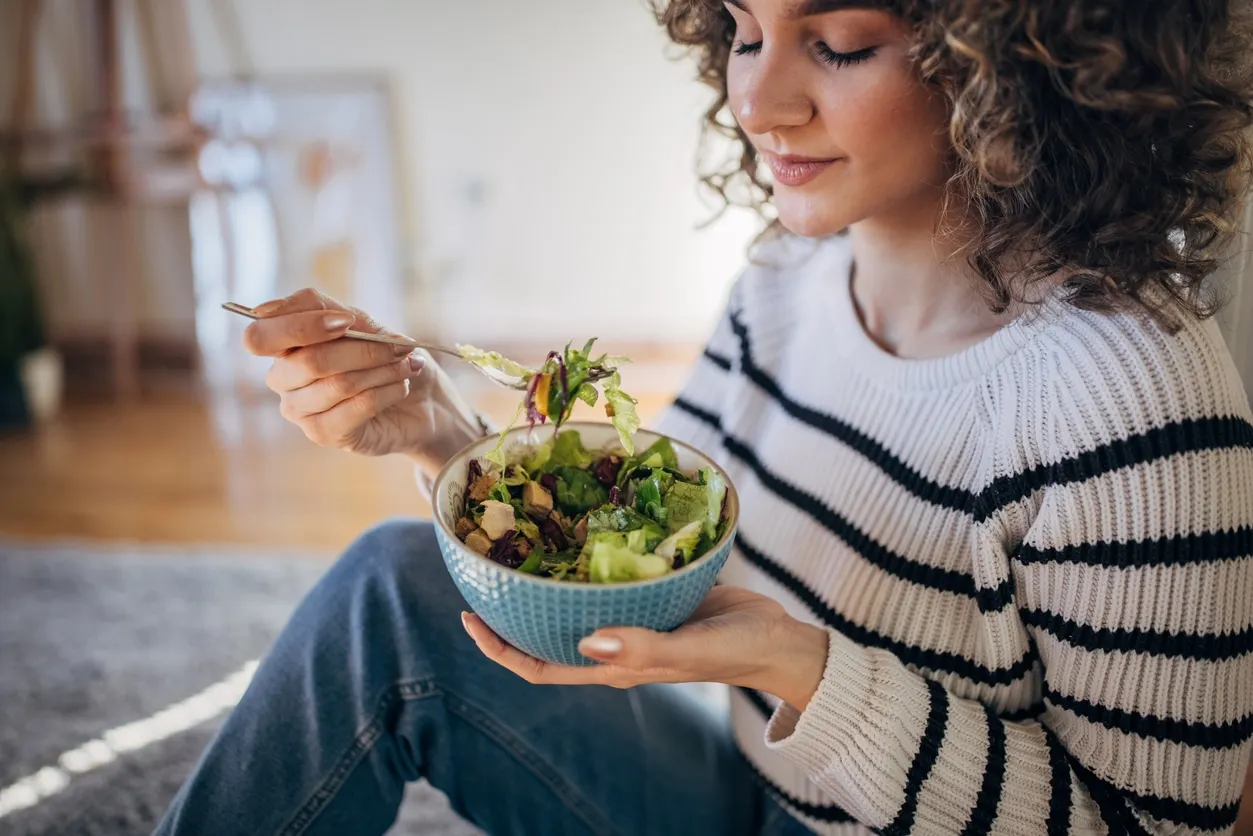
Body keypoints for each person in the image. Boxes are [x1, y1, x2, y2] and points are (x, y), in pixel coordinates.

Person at [157, 0, 1253, 833]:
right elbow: (648, 558)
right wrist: (446, 440)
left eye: (835, 44)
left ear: (1013, 65)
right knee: (391, 583)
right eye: (740, 29)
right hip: (744, 777)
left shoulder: (1132, 392)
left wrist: (801, 668)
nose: (758, 101)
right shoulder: (782, 277)